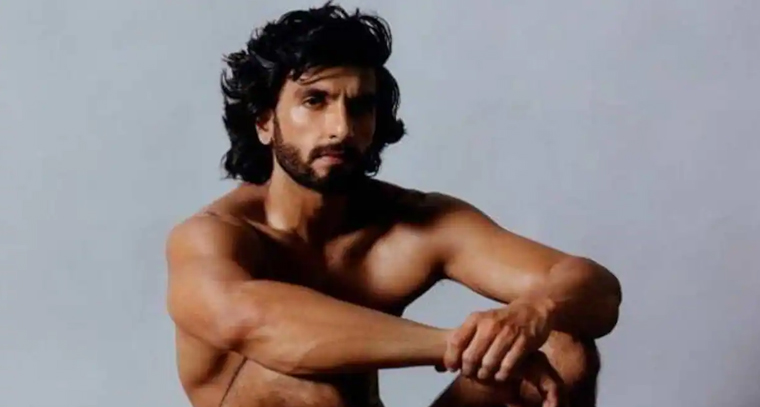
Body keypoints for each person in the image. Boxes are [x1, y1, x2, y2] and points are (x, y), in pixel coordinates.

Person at [165, 3, 622, 407]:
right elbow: (257, 323)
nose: (341, 128)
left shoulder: (411, 224)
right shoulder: (213, 235)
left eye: (360, 106)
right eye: (315, 101)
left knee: (564, 347)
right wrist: (456, 345)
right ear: (265, 122)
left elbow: (598, 292)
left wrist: (531, 315)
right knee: (307, 389)